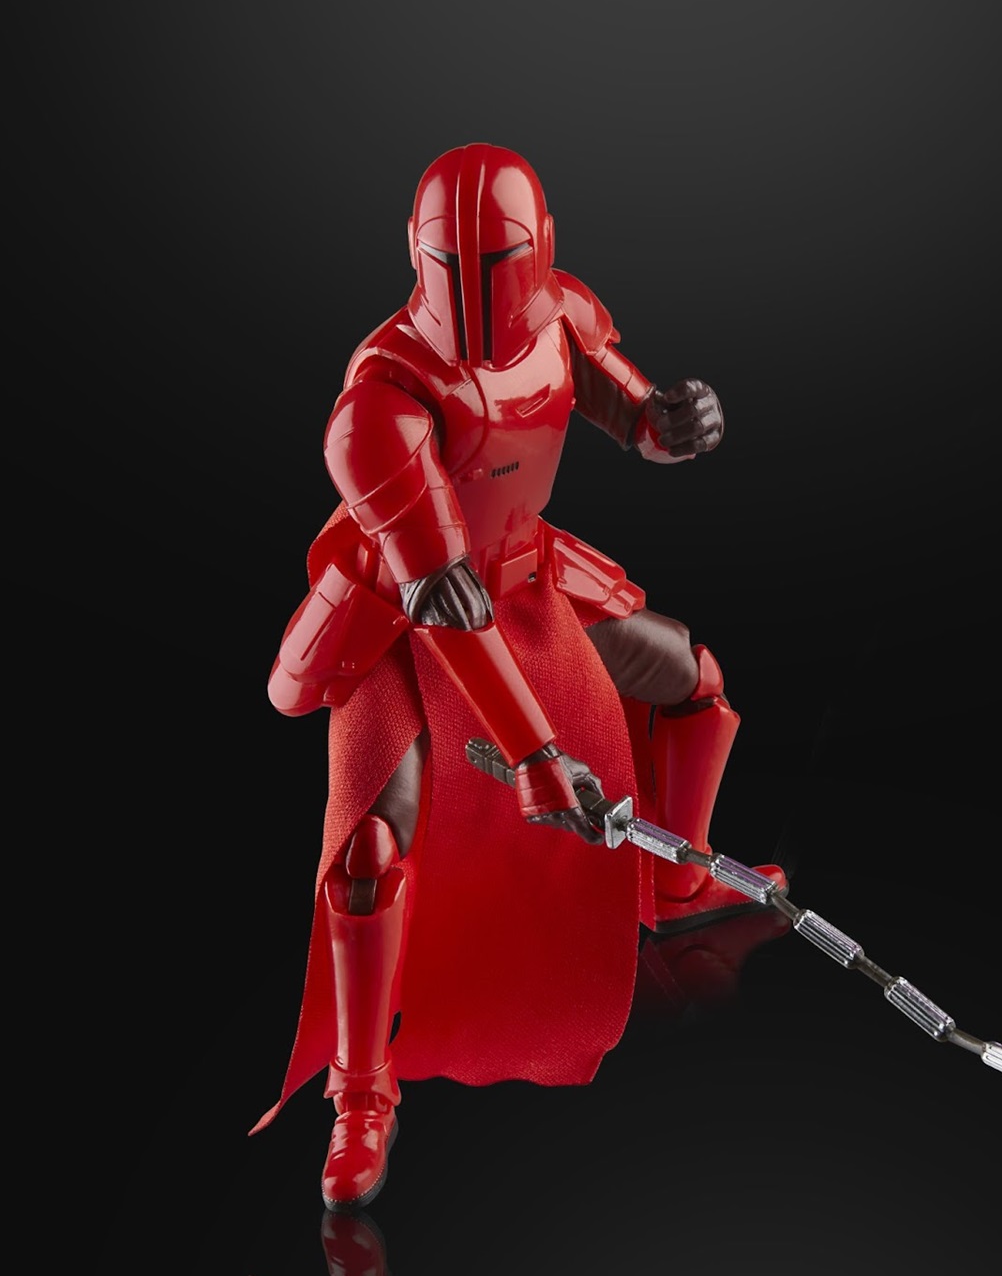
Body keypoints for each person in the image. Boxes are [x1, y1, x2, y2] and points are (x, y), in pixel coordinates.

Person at [252, 143, 779, 1212]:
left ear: (539, 253)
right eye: (455, 267)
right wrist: (537, 757)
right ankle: (362, 1094)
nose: (480, 296)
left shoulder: (564, 314)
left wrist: (674, 424)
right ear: (418, 257)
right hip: (396, 618)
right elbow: (443, 601)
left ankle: (678, 886)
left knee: (694, 681)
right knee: (370, 854)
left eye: (498, 265)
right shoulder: (383, 404)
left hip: (527, 570)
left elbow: (632, 413)